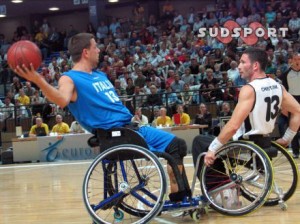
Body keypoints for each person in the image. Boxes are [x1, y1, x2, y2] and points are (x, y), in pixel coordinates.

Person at [13, 33, 190, 202]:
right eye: (95, 47)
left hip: (132, 127)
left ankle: (180, 197)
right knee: (171, 148)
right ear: (85, 52)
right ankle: (180, 199)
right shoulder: (69, 78)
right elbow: (61, 99)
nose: (99, 50)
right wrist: (38, 80)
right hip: (115, 134)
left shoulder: (100, 75)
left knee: (178, 145)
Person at [192, 47, 300, 171]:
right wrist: (287, 138)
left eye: (243, 62)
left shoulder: (249, 89)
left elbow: (233, 126)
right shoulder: (278, 86)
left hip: (247, 147)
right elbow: (298, 111)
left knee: (200, 142)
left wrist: (213, 149)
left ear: (255, 66)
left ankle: (217, 187)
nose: (239, 66)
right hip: (265, 143)